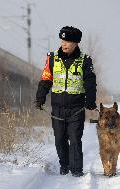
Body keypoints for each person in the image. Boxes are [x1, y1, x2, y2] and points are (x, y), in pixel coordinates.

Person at [35, 26, 97, 177]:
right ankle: (65, 165)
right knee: (59, 140)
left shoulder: (85, 60)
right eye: (63, 40)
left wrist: (90, 100)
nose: (64, 44)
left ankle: (76, 170)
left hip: (76, 108)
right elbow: (46, 79)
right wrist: (40, 97)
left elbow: (90, 81)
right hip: (57, 108)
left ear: (76, 43)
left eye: (68, 41)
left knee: (75, 139)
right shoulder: (52, 57)